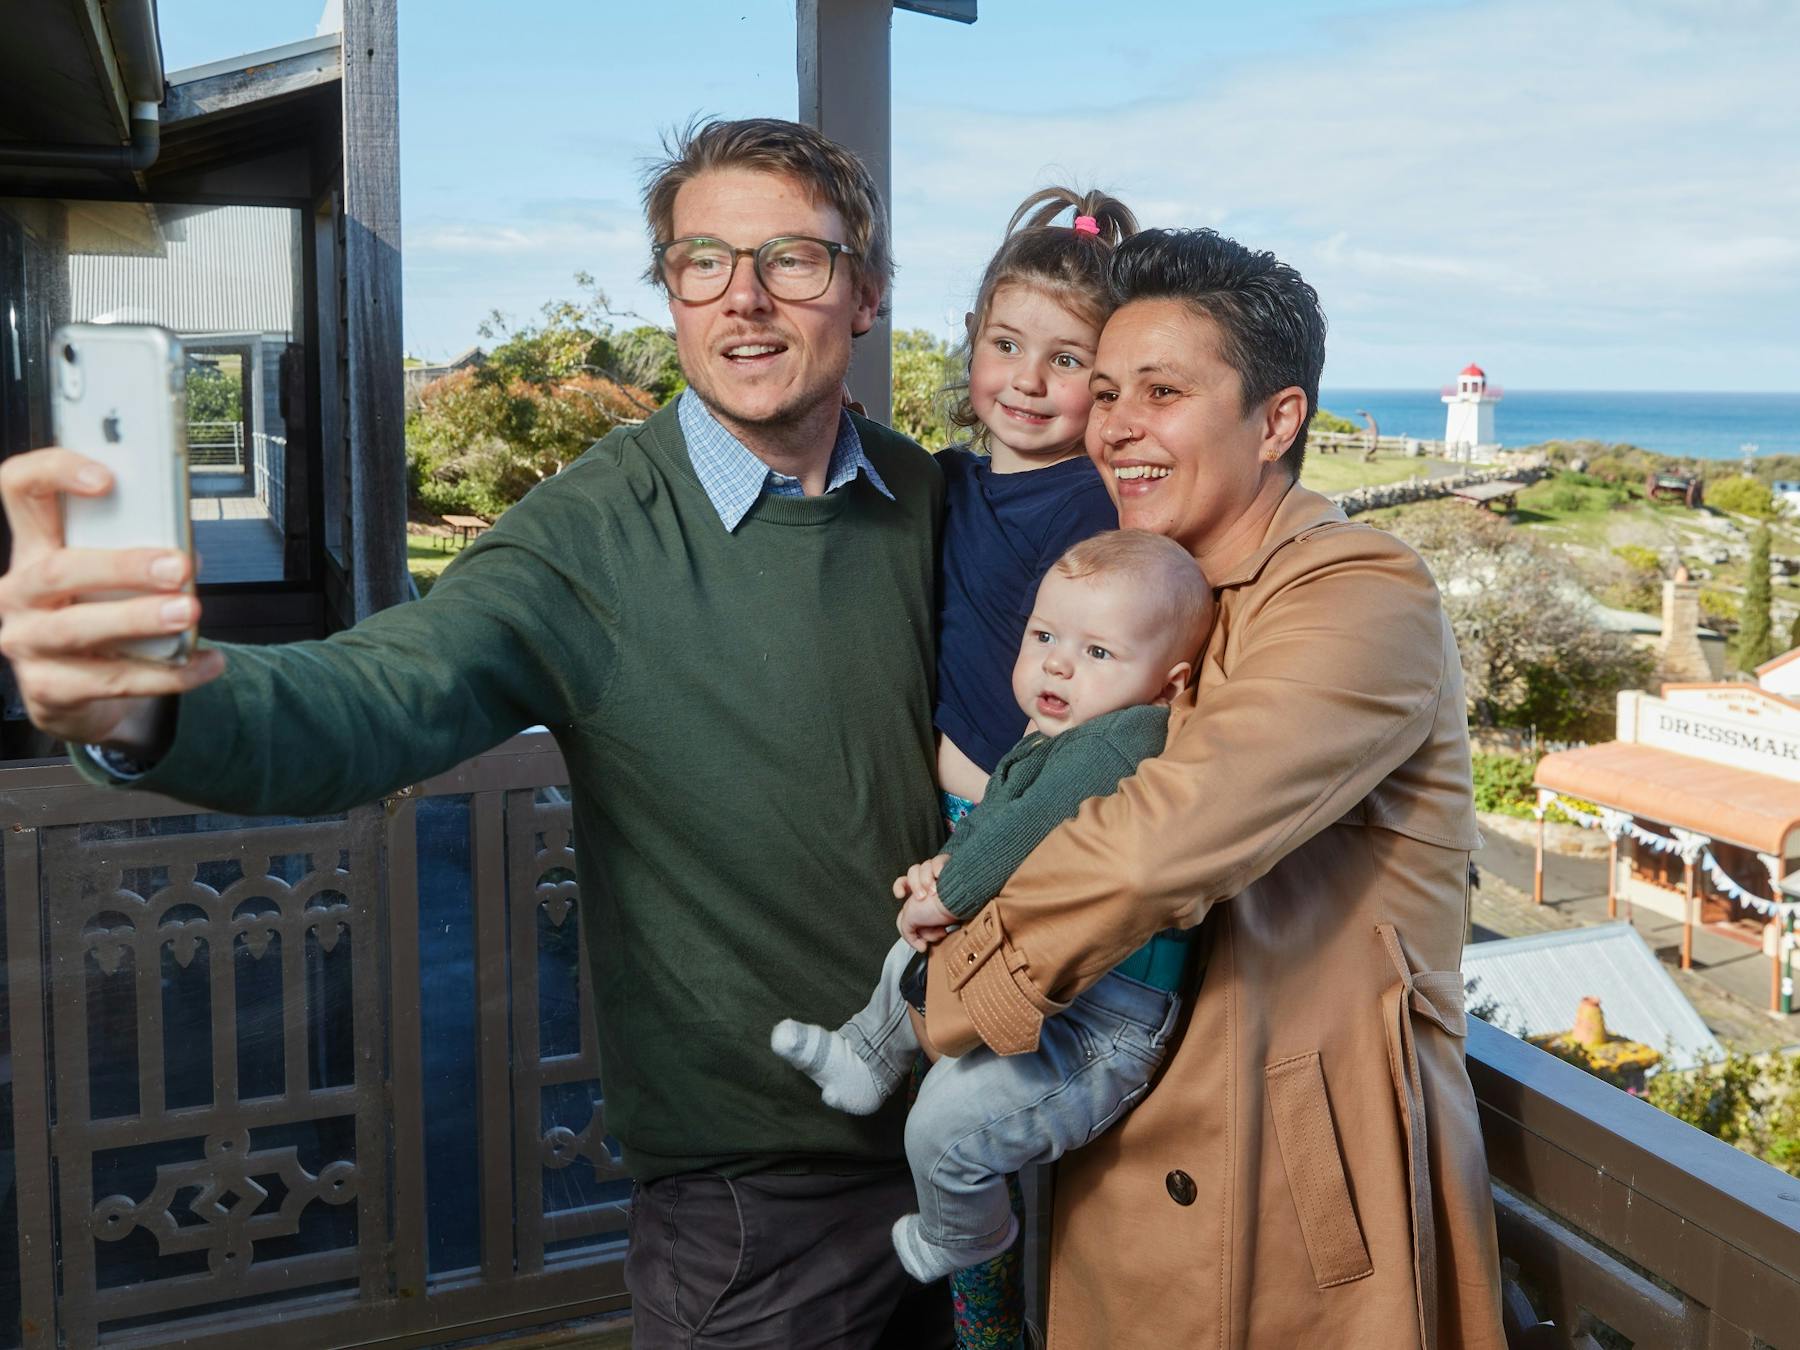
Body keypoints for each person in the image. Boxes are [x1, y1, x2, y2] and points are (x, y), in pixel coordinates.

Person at [0, 118, 954, 1349]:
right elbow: (380, 694)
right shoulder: (587, 533)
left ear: (868, 290)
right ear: (670, 290)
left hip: (980, 1144)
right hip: (751, 1206)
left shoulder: (924, 495)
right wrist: (149, 707)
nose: (745, 298)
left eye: (794, 259)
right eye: (701, 260)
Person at [920, 228, 1507, 1348]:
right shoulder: (1162, 597)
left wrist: (949, 982)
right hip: (1121, 1169)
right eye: (1105, 393)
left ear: (1278, 420)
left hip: (1293, 1206)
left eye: (1161, 391)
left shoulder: (1358, 591)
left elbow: (1155, 843)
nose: (1116, 427)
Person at [773, 529, 1212, 1283]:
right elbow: (999, 819)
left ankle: (964, 1234)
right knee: (913, 958)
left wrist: (947, 892)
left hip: (1104, 1022)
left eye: (1098, 653)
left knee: (943, 1125)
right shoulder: (1066, 730)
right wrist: (945, 867)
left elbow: (1024, 829)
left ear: (1169, 685)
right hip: (1049, 976)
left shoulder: (1120, 743)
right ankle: (869, 1052)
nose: (1058, 662)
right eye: (1045, 635)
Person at [931, 187, 1134, 818]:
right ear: (974, 338)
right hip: (932, 810)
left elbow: (1068, 694)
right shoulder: (946, 478)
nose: (1028, 380)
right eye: (1007, 345)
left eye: (1066, 359)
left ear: (1109, 382)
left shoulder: (1088, 511)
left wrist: (995, 835)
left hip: (1007, 821)